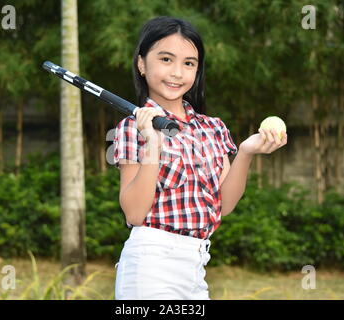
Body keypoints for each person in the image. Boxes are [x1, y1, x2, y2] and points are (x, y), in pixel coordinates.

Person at [111, 16, 287, 300]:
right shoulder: (133, 128)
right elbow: (134, 213)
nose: (177, 73)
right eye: (166, 59)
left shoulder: (212, 128)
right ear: (142, 64)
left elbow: (224, 205)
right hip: (151, 264)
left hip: (196, 264)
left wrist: (245, 152)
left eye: (189, 63)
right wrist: (153, 144)